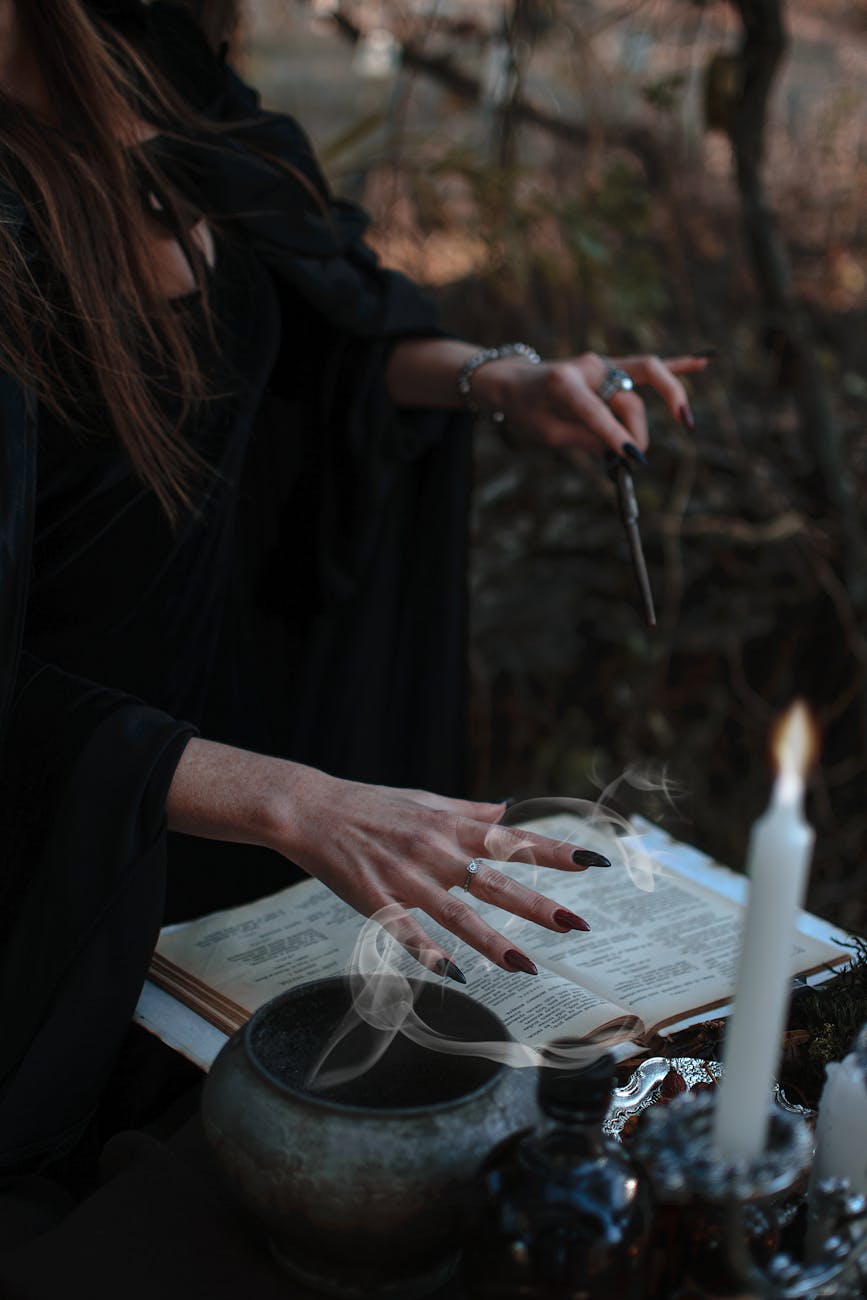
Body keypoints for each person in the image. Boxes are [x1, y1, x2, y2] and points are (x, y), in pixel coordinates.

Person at [0, 0, 707, 1171]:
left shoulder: (156, 61)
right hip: (62, 853)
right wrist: (296, 803)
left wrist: (498, 381)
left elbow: (311, 348)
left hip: (252, 781)